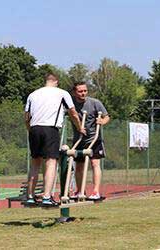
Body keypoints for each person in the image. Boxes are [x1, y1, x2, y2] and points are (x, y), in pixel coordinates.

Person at [23, 73, 85, 207]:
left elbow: (26, 117)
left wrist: (31, 130)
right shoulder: (62, 93)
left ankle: (30, 196)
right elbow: (73, 113)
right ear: (56, 82)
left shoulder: (33, 94)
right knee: (51, 162)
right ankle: (46, 196)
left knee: (35, 163)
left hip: (34, 128)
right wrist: (80, 127)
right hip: (50, 128)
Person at [69, 82, 110, 200]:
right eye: (80, 91)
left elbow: (107, 116)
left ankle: (96, 191)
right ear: (74, 92)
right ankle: (80, 190)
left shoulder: (95, 103)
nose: (83, 93)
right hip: (79, 139)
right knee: (79, 167)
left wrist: (102, 121)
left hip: (94, 139)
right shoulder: (71, 104)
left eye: (85, 91)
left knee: (94, 163)